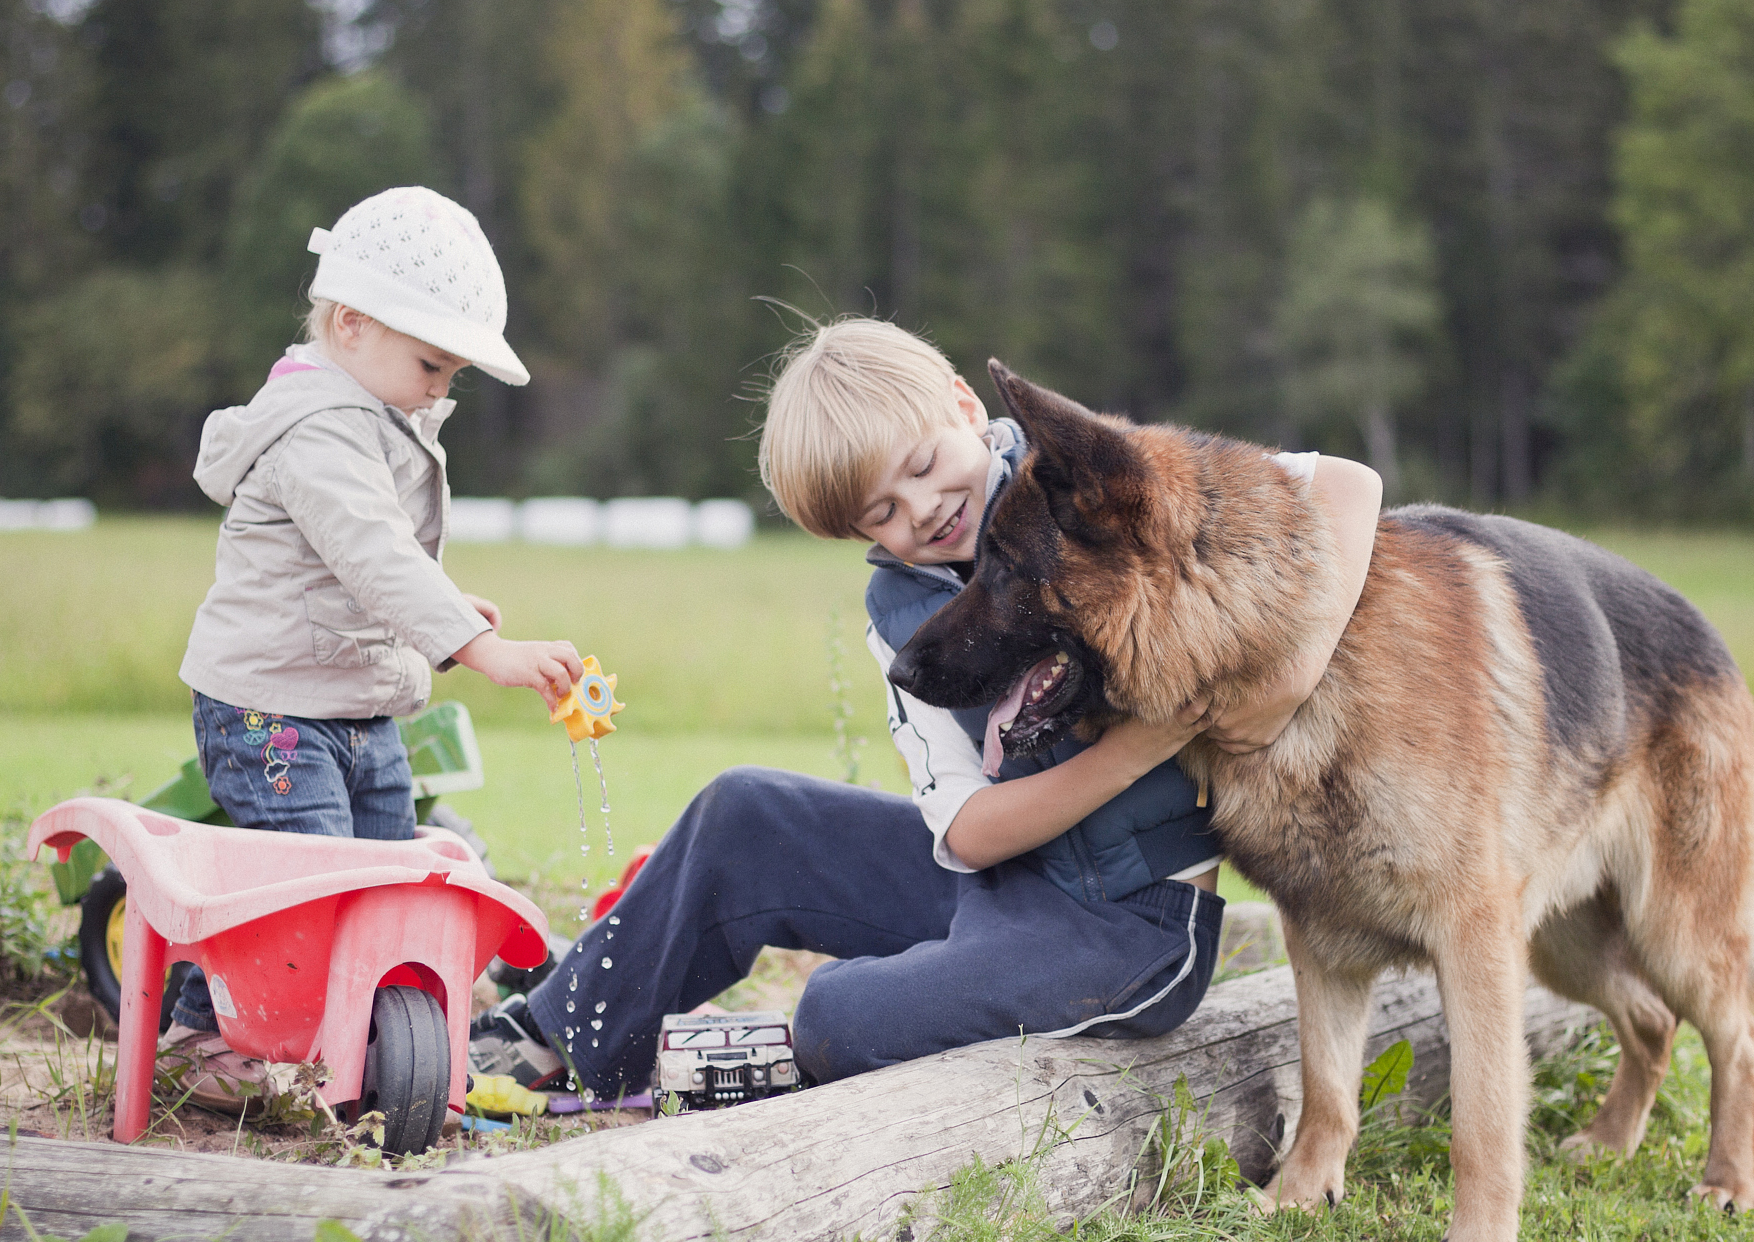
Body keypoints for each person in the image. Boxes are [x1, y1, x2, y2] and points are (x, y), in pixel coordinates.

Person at [471, 316, 1382, 1098]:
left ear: (961, 404)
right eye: (881, 512)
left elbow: (1348, 485)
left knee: (834, 1011)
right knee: (744, 812)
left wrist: (1290, 678)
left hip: (1127, 929)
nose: (922, 508)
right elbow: (971, 831)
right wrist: (1150, 740)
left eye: (923, 466)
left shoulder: (1082, 481)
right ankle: (560, 1037)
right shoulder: (899, 611)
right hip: (992, 881)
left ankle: (828, 1042)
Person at [165, 185, 581, 1109]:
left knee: (387, 864)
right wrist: (476, 645)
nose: (441, 388)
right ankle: (200, 1036)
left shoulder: (369, 416)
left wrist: (430, 609)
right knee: (303, 882)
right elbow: (373, 552)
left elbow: (361, 571)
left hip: (350, 699)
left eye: (452, 373)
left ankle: (360, 1031)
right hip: (270, 705)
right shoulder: (318, 426)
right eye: (432, 363)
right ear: (351, 323)